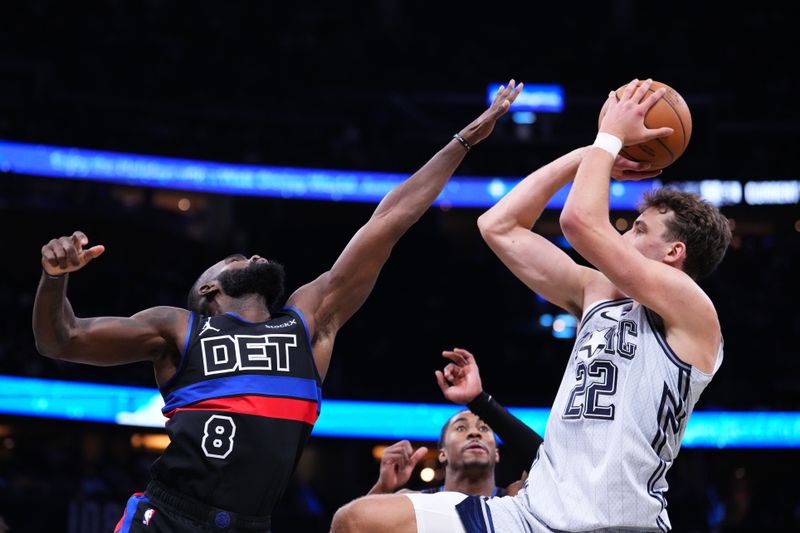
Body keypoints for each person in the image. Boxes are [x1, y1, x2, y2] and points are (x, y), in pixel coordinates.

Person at [32, 81, 523, 533]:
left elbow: (389, 219)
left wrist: (464, 140)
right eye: (236, 257)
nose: (252, 257)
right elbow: (61, 339)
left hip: (253, 523)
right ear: (207, 291)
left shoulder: (308, 321)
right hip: (169, 516)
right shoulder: (177, 329)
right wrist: (55, 279)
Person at [330, 78, 731, 532]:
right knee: (358, 520)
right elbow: (498, 225)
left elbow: (580, 221)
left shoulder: (693, 311)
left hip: (618, 523)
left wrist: (609, 137)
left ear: (674, 253)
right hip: (532, 513)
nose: (624, 234)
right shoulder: (598, 292)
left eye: (638, 229)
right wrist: (588, 155)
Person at [368, 348, 541, 498]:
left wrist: (480, 401)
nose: (475, 433)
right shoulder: (414, 502)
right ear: (442, 453)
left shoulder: (514, 499)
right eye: (461, 427)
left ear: (496, 453)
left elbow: (547, 460)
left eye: (483, 428)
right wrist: (383, 488)